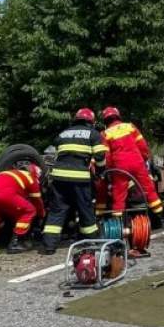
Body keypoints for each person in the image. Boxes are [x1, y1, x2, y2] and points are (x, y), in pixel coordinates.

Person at [44, 108, 107, 253]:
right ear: (91, 121)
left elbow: (54, 154)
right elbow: (100, 156)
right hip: (79, 178)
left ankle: (49, 246)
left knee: (57, 210)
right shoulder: (93, 134)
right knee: (85, 209)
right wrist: (101, 172)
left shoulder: (63, 133)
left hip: (59, 178)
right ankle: (92, 241)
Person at [100, 106, 164, 227]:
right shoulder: (130, 127)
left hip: (120, 167)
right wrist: (144, 158)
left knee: (119, 193)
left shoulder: (105, 134)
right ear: (118, 116)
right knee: (148, 187)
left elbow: (107, 156)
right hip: (137, 162)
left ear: (105, 120)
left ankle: (118, 221)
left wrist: (110, 170)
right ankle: (159, 214)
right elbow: (143, 146)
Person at [0, 160, 45, 254]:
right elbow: (36, 200)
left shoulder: (6, 172)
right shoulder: (30, 178)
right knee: (29, 210)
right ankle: (15, 243)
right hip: (1, 194)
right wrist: (41, 214)